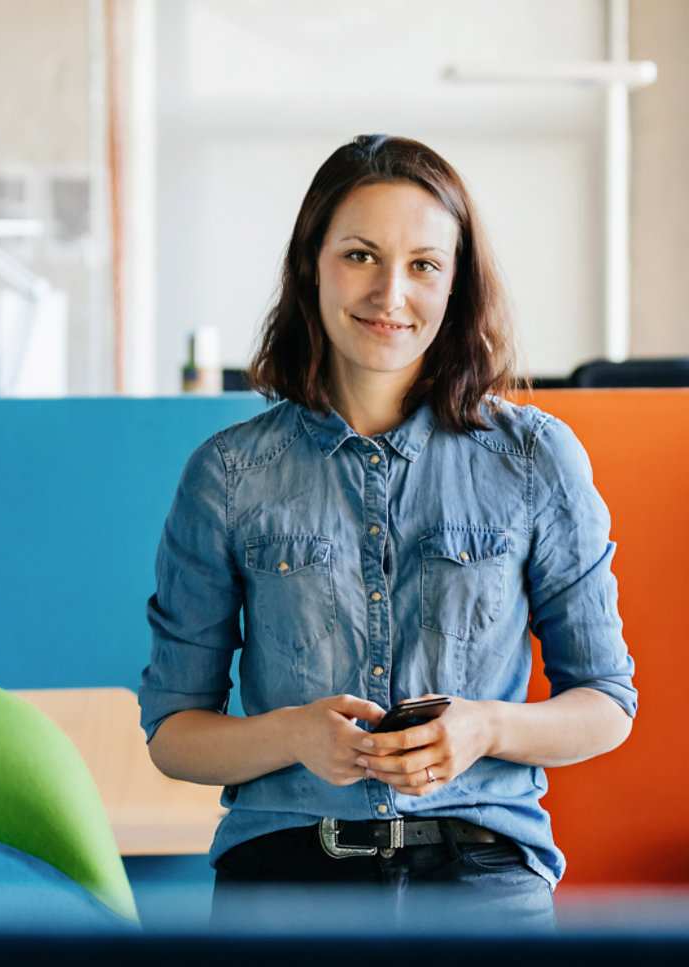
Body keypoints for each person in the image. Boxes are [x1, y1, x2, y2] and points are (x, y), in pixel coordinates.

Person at [139, 134, 636, 928]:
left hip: (483, 876)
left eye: (423, 265)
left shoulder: (537, 459)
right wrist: (294, 736)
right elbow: (173, 733)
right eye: (361, 255)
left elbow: (606, 702)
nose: (390, 294)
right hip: (284, 877)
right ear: (313, 264)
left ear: (456, 282)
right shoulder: (227, 475)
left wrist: (487, 726)